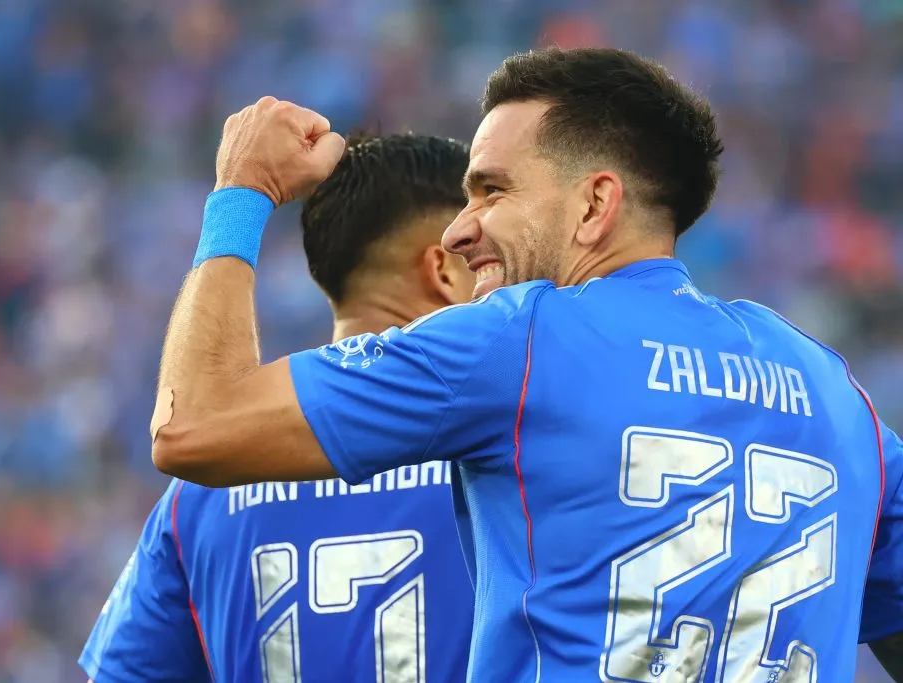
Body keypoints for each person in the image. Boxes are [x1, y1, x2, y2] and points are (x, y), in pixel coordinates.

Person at [148, 46, 903, 682]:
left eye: (491, 190)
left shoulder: (517, 338)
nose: (459, 226)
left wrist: (243, 191)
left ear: (593, 205)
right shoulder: (839, 395)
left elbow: (191, 426)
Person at [80, 134, 477, 683]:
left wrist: (238, 200)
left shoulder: (203, 486)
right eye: (485, 254)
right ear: (446, 269)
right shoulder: (500, 439)